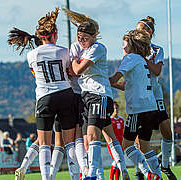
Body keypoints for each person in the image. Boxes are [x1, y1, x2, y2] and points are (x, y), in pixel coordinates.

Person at [8, 8, 77, 180]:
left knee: (44, 143)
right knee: (70, 142)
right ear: (55, 35)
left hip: (45, 97)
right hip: (66, 94)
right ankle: (76, 176)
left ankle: (46, 178)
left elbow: (36, 74)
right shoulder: (63, 51)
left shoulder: (31, 55)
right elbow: (69, 71)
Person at [64, 8, 130, 180]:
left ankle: (92, 175)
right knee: (101, 137)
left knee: (93, 134)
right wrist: (74, 60)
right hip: (86, 97)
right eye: (79, 38)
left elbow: (76, 70)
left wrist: (75, 62)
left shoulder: (98, 48)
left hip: (98, 95)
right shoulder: (78, 47)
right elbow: (70, 71)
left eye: (85, 38)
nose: (81, 41)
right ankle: (123, 170)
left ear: (94, 37)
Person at [109, 29, 162, 180]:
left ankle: (148, 174)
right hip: (151, 108)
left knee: (127, 146)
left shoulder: (130, 58)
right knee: (145, 147)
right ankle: (157, 176)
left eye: (124, 44)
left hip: (137, 110)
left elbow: (114, 79)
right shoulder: (140, 59)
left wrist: (101, 81)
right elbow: (126, 85)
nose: (122, 47)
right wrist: (112, 84)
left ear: (131, 44)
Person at [136, 16, 177, 180]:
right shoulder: (132, 48)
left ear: (149, 32)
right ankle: (141, 169)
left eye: (140, 29)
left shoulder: (157, 50)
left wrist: (143, 59)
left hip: (155, 94)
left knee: (167, 131)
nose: (137, 32)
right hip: (139, 95)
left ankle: (165, 165)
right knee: (141, 137)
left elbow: (157, 71)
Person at [107, 102, 125, 180]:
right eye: (114, 108)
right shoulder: (110, 120)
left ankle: (116, 178)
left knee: (120, 161)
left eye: (117, 108)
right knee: (117, 159)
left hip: (121, 142)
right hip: (112, 142)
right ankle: (111, 177)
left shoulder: (121, 119)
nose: (116, 110)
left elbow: (123, 131)